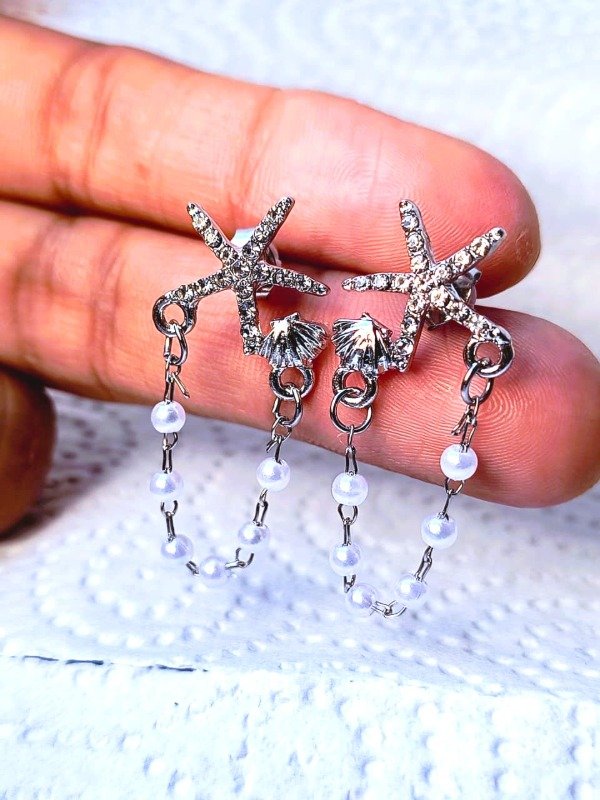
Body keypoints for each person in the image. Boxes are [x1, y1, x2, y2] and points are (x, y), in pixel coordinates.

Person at [0, 15, 598, 532]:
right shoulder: (259, 277)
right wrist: (302, 285)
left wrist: (326, 289)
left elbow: (381, 286)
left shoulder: (383, 294)